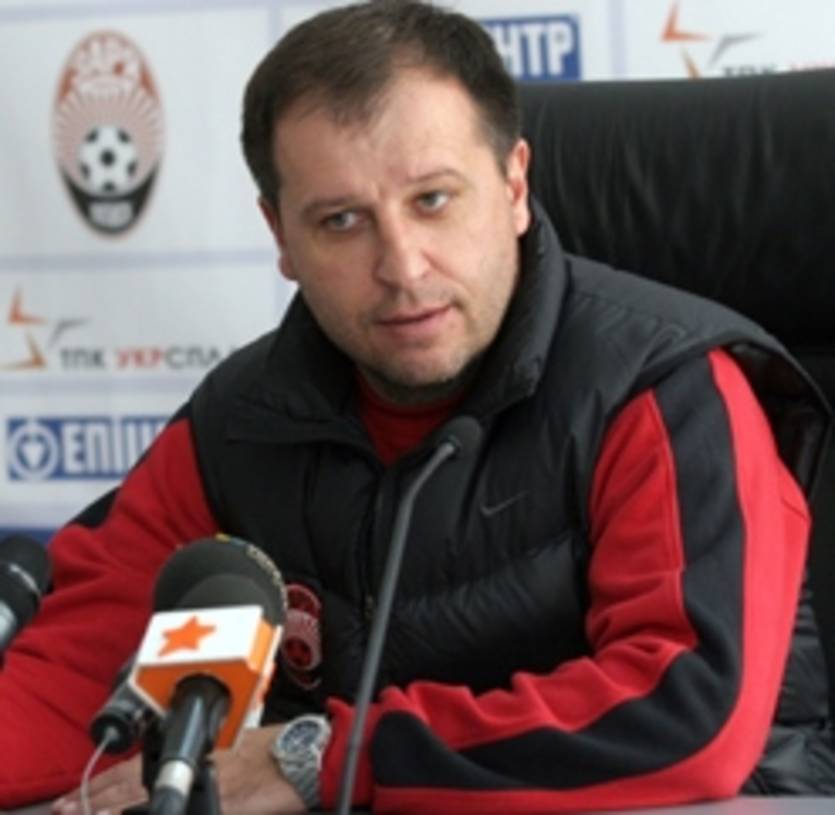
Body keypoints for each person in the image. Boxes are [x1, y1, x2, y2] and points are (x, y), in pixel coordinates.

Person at [1, 0, 834, 812]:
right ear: (281, 237)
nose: (401, 266)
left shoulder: (663, 389)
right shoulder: (239, 422)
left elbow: (686, 712)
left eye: (432, 200)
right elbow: (64, 673)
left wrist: (323, 756)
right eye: (341, 221)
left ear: (513, 185)